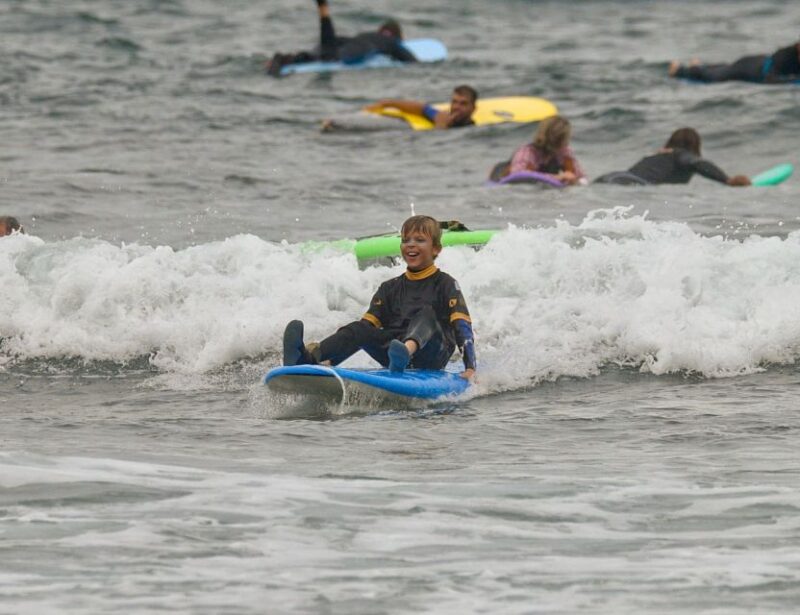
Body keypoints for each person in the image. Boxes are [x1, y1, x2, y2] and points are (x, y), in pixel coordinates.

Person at [281, 215, 476, 380]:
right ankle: (306, 358)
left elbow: (462, 328)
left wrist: (470, 368)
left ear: (436, 249)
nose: (411, 245)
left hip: (431, 354)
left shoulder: (446, 284)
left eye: (419, 240)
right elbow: (363, 333)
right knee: (359, 328)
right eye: (405, 240)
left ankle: (405, 352)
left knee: (426, 314)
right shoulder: (389, 288)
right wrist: (332, 362)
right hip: (393, 355)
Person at [266, 0, 416, 77]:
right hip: (357, 48)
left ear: (381, 30)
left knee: (323, 49)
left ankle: (286, 59)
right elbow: (410, 60)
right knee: (331, 56)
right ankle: (324, 11)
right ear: (397, 36)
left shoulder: (366, 35)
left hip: (346, 41)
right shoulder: (391, 42)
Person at [593, 128, 751, 187]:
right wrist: (727, 180)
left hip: (611, 177)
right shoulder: (680, 154)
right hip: (629, 182)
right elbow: (697, 163)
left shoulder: (659, 153)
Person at [489, 115, 586, 185]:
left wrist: (572, 178)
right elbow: (517, 175)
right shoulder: (527, 152)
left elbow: (579, 176)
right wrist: (556, 177)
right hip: (500, 176)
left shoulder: (564, 151)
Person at [669, 41, 800, 84]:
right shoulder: (785, 57)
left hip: (755, 63)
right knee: (714, 78)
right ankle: (679, 70)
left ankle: (698, 65)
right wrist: (788, 81)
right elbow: (770, 79)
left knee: (726, 68)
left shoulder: (792, 55)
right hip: (750, 68)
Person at [363, 84, 479, 129]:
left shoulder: (471, 129)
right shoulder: (443, 116)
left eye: (463, 103)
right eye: (454, 102)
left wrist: (441, 126)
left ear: (473, 108)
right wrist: (389, 103)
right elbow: (423, 108)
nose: (457, 107)